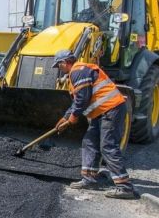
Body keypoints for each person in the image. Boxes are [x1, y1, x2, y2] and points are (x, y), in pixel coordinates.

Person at [52, 49, 137, 199]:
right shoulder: (79, 72)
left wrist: (72, 118)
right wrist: (65, 118)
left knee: (108, 146)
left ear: (64, 62)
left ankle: (125, 187)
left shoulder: (78, 71)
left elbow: (83, 99)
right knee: (89, 140)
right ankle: (89, 178)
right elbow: (78, 100)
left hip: (111, 109)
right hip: (101, 112)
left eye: (59, 66)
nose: (59, 69)